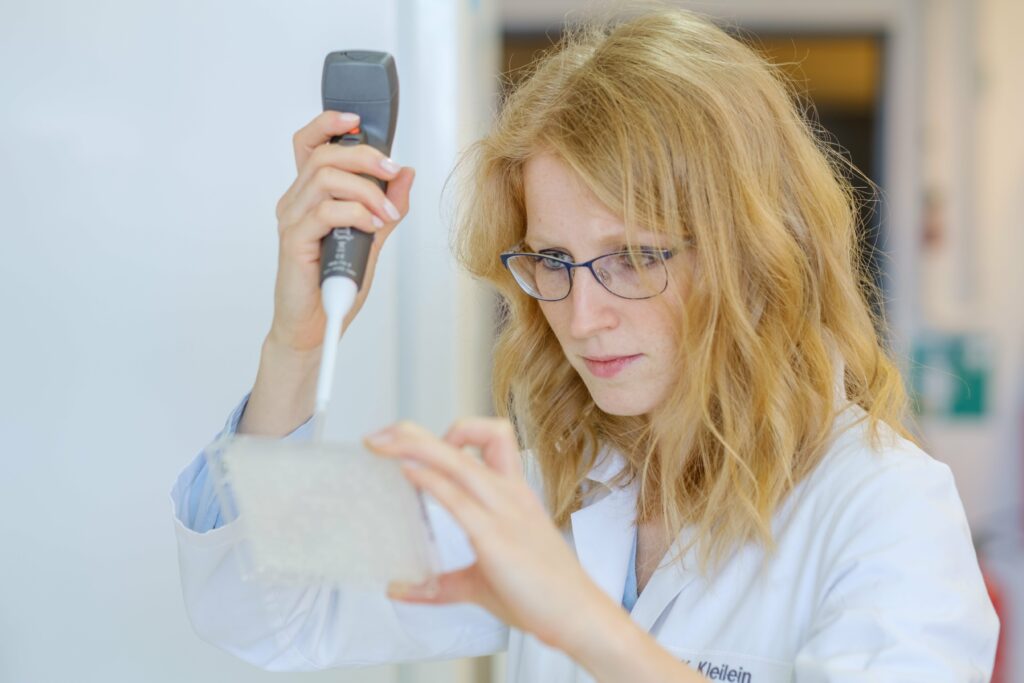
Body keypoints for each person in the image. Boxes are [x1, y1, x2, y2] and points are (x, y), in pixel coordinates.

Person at [171, 7, 999, 682]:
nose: (582, 316)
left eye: (634, 256)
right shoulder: (553, 484)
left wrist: (578, 617)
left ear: (754, 254)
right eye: (555, 261)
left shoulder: (884, 506)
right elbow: (269, 612)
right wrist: (297, 340)